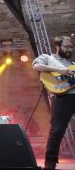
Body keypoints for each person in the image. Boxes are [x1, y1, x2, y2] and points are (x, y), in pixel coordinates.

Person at [33, 35, 75, 170]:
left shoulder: (73, 65)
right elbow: (36, 66)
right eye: (66, 47)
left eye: (72, 47)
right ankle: (50, 164)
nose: (70, 49)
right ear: (57, 46)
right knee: (57, 131)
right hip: (62, 98)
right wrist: (60, 70)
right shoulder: (47, 58)